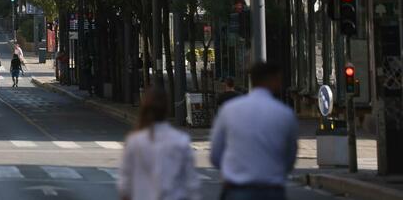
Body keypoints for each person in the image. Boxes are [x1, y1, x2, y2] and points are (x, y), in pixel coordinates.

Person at [210, 61, 298, 200]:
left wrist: (232, 169)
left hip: (237, 189)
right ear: (274, 81)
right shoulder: (285, 114)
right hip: (272, 190)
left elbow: (215, 155)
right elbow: (290, 157)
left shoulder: (229, 110)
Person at [117, 86, 200, 200]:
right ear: (167, 109)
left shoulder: (134, 142)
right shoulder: (181, 141)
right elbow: (191, 185)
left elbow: (125, 186)